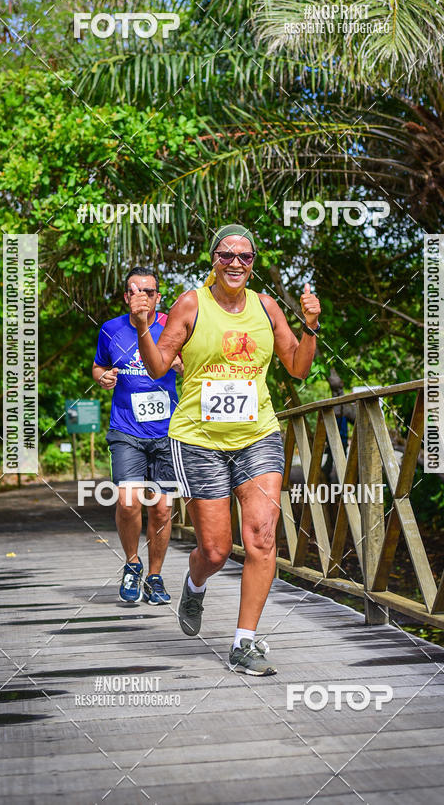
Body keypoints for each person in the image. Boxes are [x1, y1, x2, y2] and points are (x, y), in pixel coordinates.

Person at [127, 226, 321, 674]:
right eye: (226, 255)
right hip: (199, 439)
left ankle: (243, 643)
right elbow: (157, 368)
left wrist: (311, 328)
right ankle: (195, 585)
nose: (236, 263)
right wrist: (142, 328)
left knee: (262, 537)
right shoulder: (192, 304)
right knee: (215, 550)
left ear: (253, 264)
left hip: (258, 435)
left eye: (246, 257)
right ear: (213, 259)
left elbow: (298, 368)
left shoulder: (266, 306)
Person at [93, 267, 182, 606]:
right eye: (137, 290)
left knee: (161, 509)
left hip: (166, 432)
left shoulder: (173, 327)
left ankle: (155, 577)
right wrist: (103, 377)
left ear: (158, 297)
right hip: (126, 428)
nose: (144, 295)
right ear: (127, 297)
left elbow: (195, 365)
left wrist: (179, 366)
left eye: (151, 290)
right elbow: (98, 365)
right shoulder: (111, 329)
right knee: (129, 501)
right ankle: (133, 563)